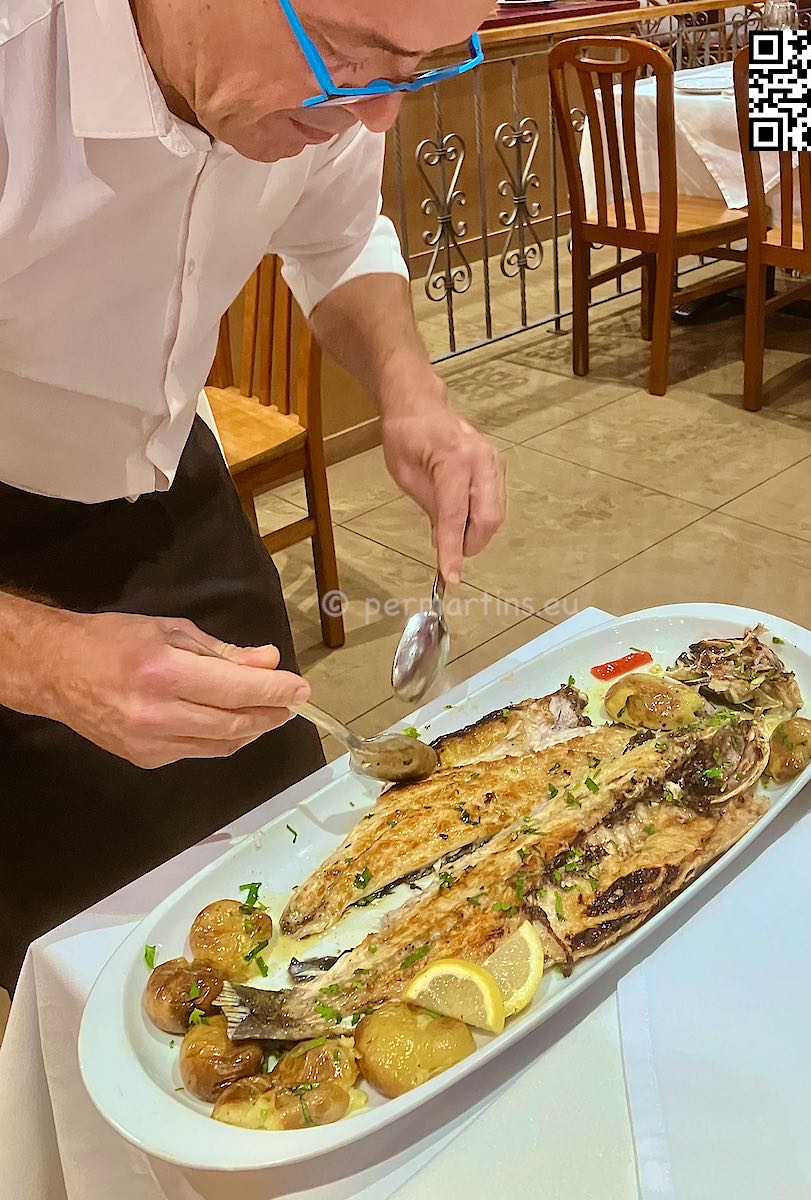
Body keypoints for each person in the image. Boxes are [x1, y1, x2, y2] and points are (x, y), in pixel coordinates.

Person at [0, 0, 504, 989]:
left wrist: (412, 391)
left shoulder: (334, 91)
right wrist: (49, 661)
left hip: (173, 487)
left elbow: (339, 236)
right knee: (106, 975)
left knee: (304, 894)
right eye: (354, 51)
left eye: (421, 66)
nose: (376, 114)